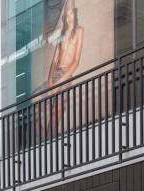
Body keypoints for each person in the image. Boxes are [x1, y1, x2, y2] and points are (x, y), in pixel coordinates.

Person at [45, 0, 84, 132]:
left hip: (66, 74)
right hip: (56, 74)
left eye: (71, 14)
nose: (69, 18)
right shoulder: (62, 34)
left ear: (75, 14)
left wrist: (61, 81)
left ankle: (51, 139)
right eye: (66, 15)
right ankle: (48, 137)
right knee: (49, 109)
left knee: (59, 108)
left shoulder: (79, 31)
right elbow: (54, 60)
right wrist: (50, 80)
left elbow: (76, 61)